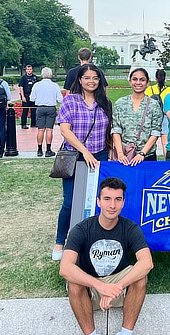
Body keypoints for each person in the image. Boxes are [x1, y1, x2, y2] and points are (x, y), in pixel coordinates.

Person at [60, 177, 153, 335]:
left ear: (123, 202)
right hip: (91, 286)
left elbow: (147, 263)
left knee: (140, 277)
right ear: (98, 201)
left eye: (118, 199)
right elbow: (65, 268)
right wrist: (101, 287)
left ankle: (125, 332)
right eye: (107, 199)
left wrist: (117, 286)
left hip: (119, 283)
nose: (112, 205)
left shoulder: (130, 228)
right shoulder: (81, 229)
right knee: (74, 283)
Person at [53, 64, 112, 261]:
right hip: (75, 156)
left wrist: (111, 151)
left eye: (95, 78)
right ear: (79, 80)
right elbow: (65, 130)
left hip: (100, 156)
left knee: (95, 201)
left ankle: (91, 239)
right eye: (87, 78)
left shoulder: (104, 103)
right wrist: (84, 151)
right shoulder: (70, 101)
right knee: (70, 201)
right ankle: (60, 242)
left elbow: (108, 131)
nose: (91, 81)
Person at [112, 68, 162, 166]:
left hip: (147, 156)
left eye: (142, 80)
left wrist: (142, 153)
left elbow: (155, 132)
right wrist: (120, 154)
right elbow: (116, 130)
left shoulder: (154, 105)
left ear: (148, 83)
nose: (138, 82)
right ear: (130, 82)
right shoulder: (120, 103)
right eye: (135, 79)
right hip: (125, 155)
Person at [30, 67, 63, 157]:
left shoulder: (36, 85)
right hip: (51, 108)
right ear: (51, 75)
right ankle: (48, 150)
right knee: (49, 129)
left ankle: (39, 150)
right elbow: (60, 99)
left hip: (40, 108)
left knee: (40, 129)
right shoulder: (55, 86)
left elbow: (32, 98)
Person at [145, 69, 170, 157]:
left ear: (156, 78)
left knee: (150, 142)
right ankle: (166, 160)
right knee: (165, 142)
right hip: (165, 117)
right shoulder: (169, 91)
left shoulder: (150, 89)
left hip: (152, 118)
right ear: (165, 78)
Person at [18, 64, 38, 129]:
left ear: (32, 70)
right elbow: (21, 87)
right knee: (25, 111)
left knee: (34, 110)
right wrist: (23, 96)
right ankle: (23, 124)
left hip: (34, 96)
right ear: (26, 70)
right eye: (28, 69)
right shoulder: (23, 78)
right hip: (26, 95)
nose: (29, 71)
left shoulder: (35, 77)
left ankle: (33, 123)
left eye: (30, 69)